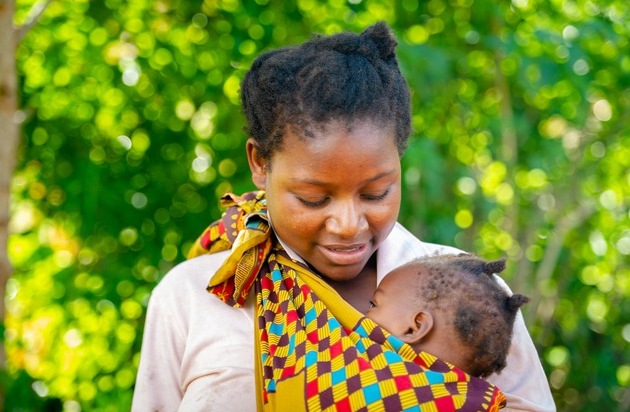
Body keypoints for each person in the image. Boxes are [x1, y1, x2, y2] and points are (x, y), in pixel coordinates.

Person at [132, 22, 556, 411]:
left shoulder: (470, 294)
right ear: (260, 163)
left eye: (376, 192)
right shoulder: (191, 297)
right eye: (314, 198)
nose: (349, 224)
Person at [366, 254, 530, 379]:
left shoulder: (366, 377)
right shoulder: (473, 403)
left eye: (374, 305)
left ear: (414, 327)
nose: (363, 313)